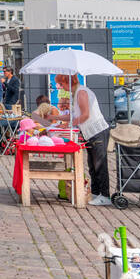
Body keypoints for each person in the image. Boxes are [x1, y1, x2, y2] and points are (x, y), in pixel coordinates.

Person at [60, 74, 111, 206]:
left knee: (100, 165)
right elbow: (75, 115)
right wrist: (60, 119)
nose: (61, 87)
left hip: (97, 132)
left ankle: (105, 195)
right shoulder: (76, 93)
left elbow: (85, 115)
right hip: (90, 134)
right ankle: (95, 192)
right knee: (92, 166)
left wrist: (70, 124)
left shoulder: (81, 92)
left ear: (68, 82)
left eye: (61, 83)